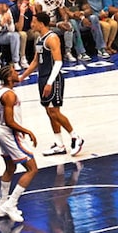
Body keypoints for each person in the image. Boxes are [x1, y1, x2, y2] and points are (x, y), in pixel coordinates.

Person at [0, 60, 39, 224]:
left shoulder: (2, 90)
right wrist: (27, 131)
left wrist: (35, 61)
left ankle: (1, 206)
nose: (16, 73)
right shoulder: (9, 95)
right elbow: (9, 121)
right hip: (10, 133)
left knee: (10, 167)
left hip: (1, 132)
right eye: (14, 72)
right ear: (8, 78)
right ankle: (11, 204)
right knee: (32, 169)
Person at [36, 20, 83, 157]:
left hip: (53, 78)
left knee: (54, 111)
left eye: (33, 22)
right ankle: (59, 144)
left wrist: (50, 83)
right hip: (43, 77)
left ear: (40, 23)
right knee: (49, 112)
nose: (31, 24)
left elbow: (58, 62)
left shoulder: (52, 38)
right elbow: (35, 61)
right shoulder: (40, 39)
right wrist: (22, 77)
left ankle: (75, 137)